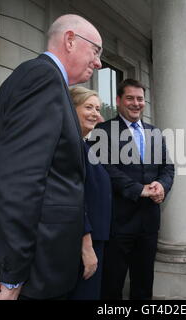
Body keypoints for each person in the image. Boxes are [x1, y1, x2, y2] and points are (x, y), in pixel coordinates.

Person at [0, 14, 102, 300]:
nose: (98, 62)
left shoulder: (43, 80)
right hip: (34, 273)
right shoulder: (42, 78)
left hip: (42, 267)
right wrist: (13, 276)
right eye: (96, 51)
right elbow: (20, 181)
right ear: (70, 40)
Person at [91, 79, 175, 300]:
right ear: (118, 101)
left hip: (148, 224)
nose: (136, 103)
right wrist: (139, 189)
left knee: (144, 285)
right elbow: (104, 169)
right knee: (111, 285)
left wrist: (161, 185)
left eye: (140, 99)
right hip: (117, 224)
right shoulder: (103, 131)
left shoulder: (154, 132)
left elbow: (167, 167)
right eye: (130, 98)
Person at [68, 87, 112, 300]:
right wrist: (86, 247)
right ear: (71, 108)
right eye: (88, 107)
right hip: (81, 244)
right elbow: (74, 198)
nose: (96, 113)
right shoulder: (70, 146)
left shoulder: (84, 145)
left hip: (96, 240)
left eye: (97, 108)